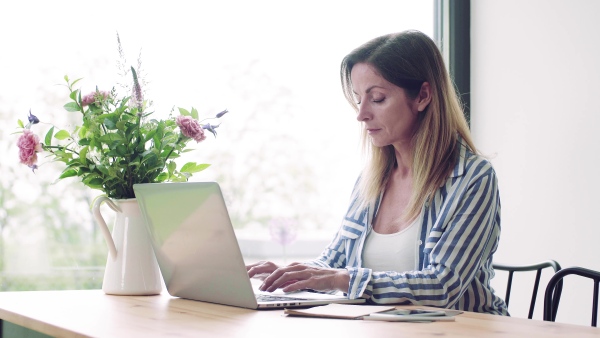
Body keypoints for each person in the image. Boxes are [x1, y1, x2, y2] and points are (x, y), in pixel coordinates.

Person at [246, 30, 508, 315]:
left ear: (422, 96)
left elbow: (443, 285)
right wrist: (295, 273)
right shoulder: (371, 182)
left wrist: (343, 279)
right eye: (359, 99)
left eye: (378, 98)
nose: (361, 114)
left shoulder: (473, 178)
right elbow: (334, 261)